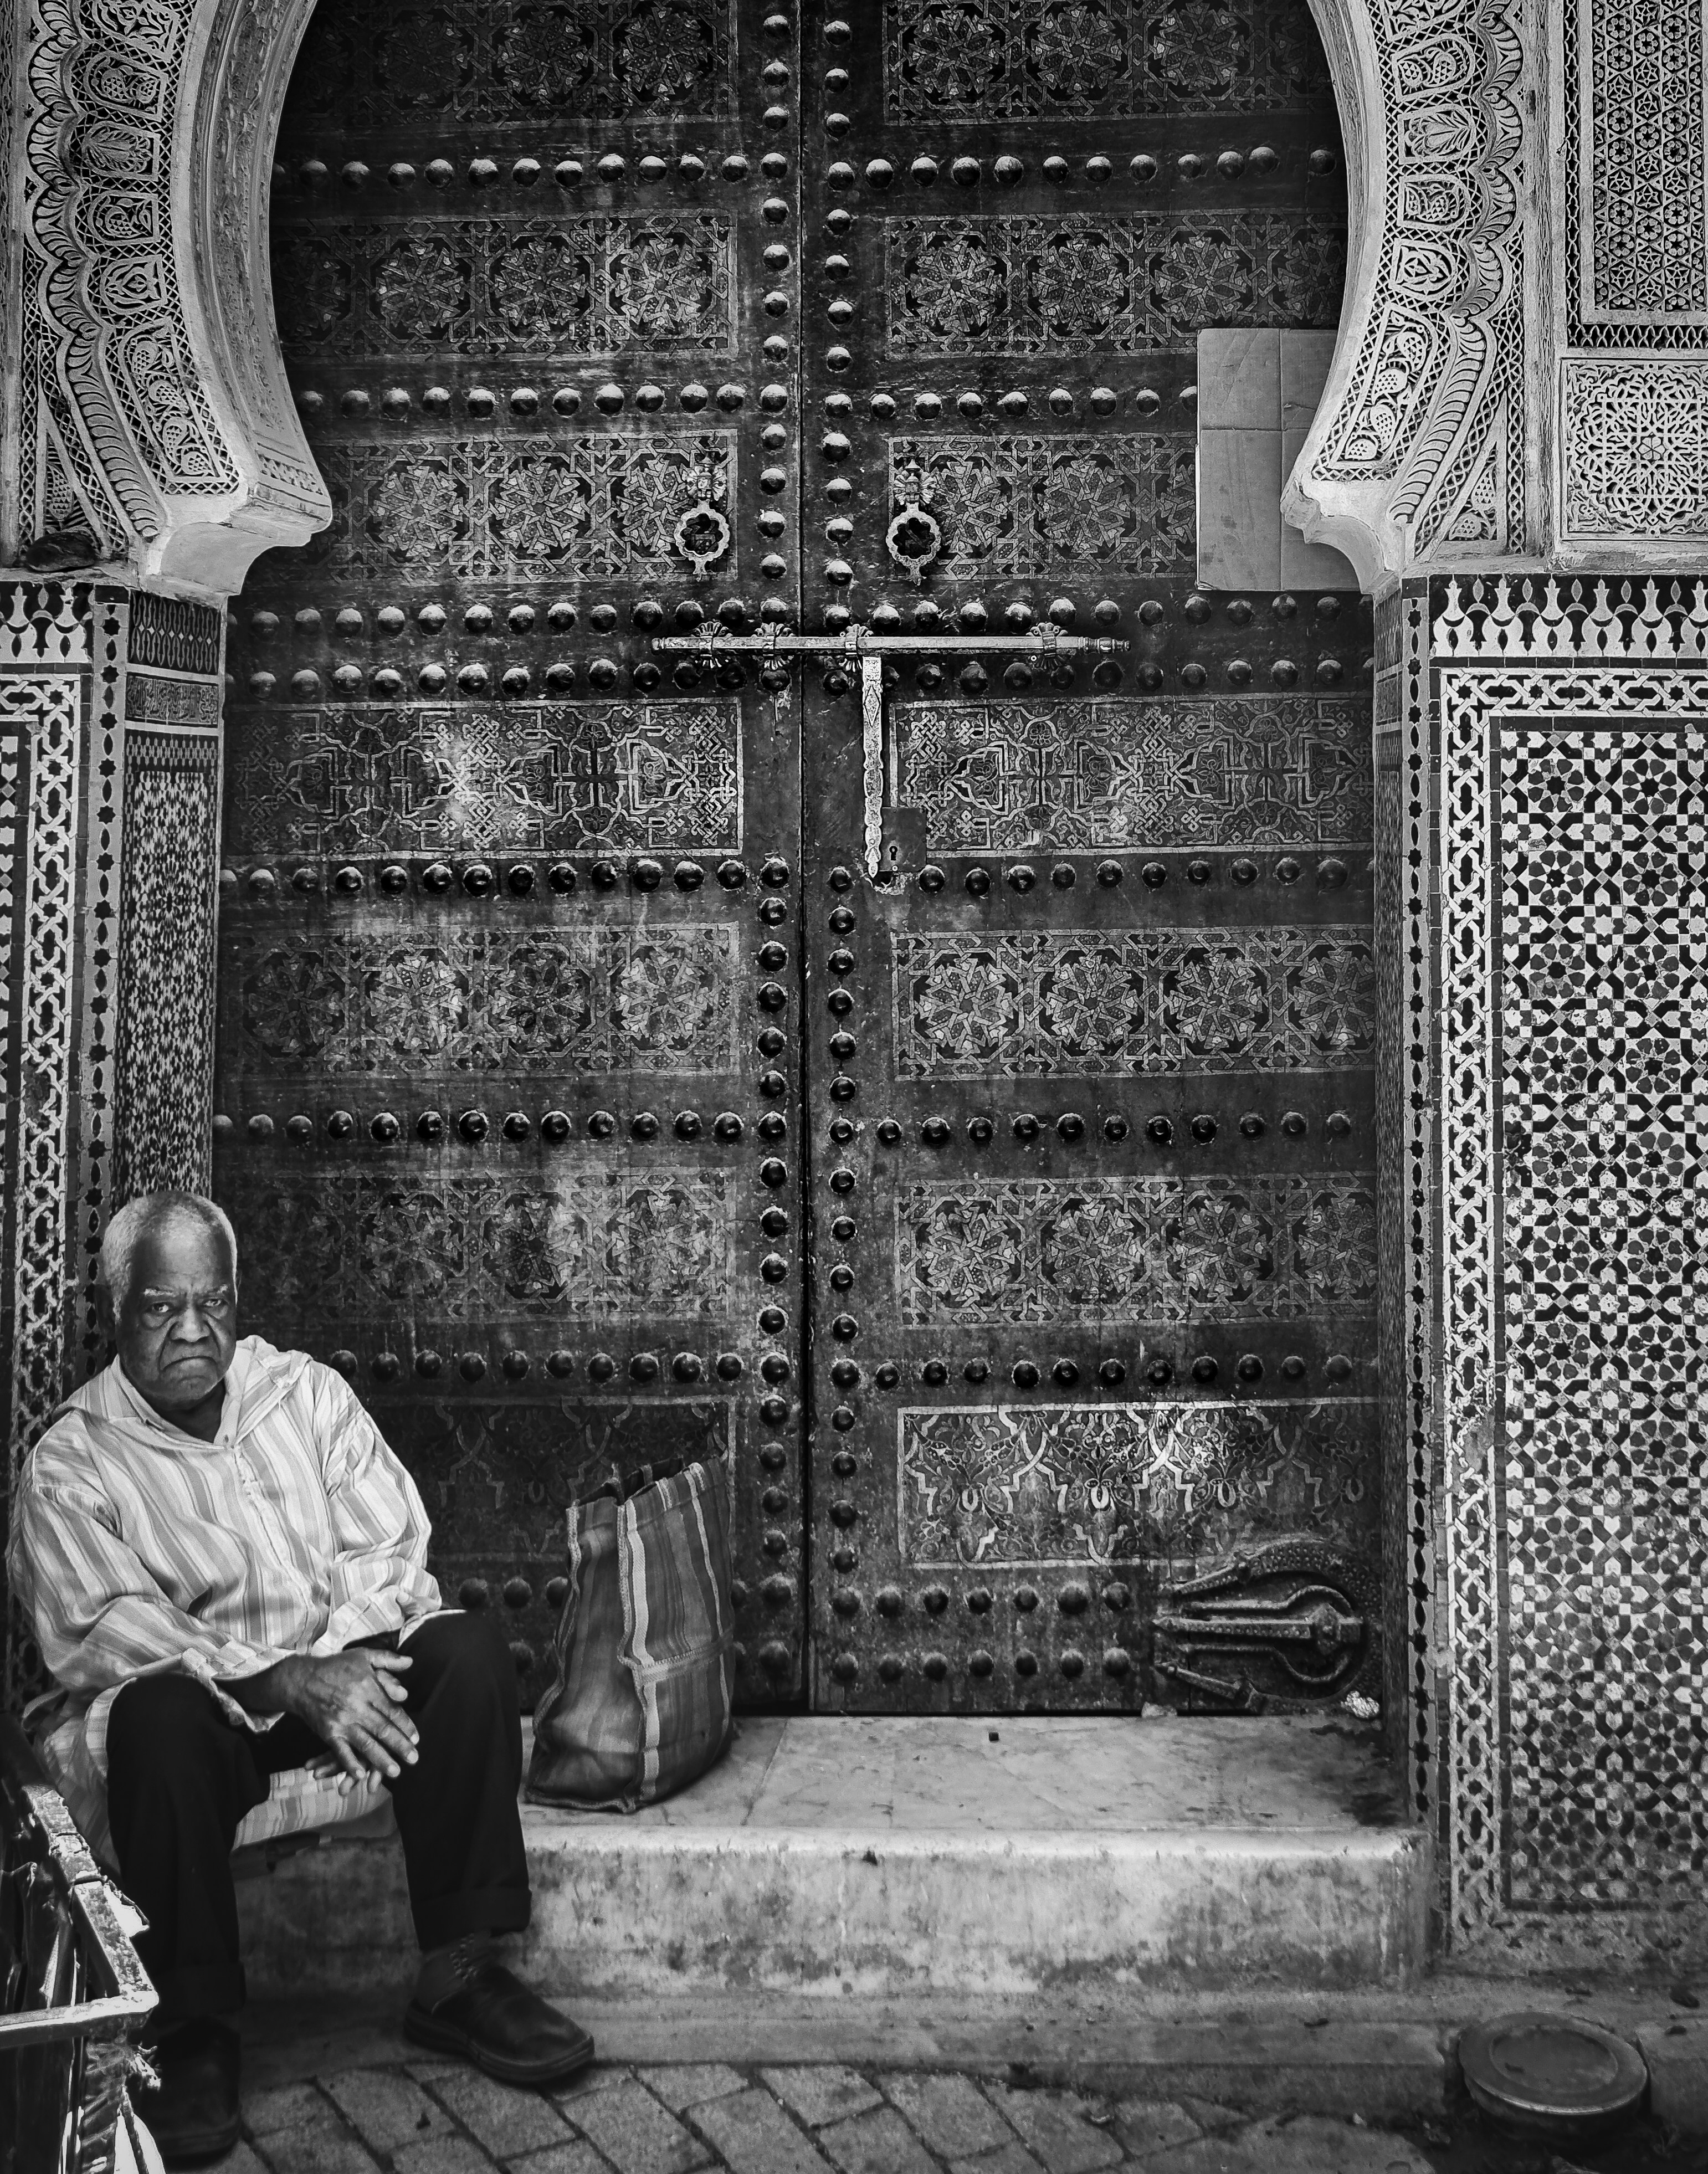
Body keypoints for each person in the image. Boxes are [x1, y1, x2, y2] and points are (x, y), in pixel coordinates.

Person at [8, 1189, 592, 2165]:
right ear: (115, 1312)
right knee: (156, 1720)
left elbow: (392, 1547)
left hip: (332, 1678)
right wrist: (286, 1679)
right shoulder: (72, 1465)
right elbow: (111, 1634)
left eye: (215, 1303)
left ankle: (459, 1973)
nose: (195, 1331)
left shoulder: (303, 1394)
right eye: (162, 1308)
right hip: (207, 1716)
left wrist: (344, 1664)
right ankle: (189, 2031)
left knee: (465, 1653)